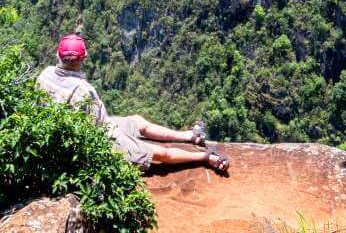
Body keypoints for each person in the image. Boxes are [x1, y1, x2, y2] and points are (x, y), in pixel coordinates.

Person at [36, 33, 230, 173]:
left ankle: (190, 137)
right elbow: (94, 133)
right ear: (83, 58)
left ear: (59, 55)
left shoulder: (45, 74)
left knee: (138, 122)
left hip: (95, 126)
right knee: (161, 154)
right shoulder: (83, 91)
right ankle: (206, 158)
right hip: (102, 139)